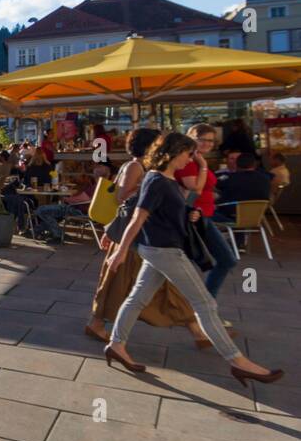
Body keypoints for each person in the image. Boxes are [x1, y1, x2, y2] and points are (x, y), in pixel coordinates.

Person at [103, 132, 282, 385]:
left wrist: (191, 211)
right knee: (205, 304)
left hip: (159, 249)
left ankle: (116, 345)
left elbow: (170, 208)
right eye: (189, 153)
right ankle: (238, 362)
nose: (190, 157)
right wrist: (120, 252)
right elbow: (138, 217)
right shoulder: (156, 180)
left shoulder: (164, 179)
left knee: (137, 298)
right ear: (175, 153)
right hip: (165, 251)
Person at [85, 128, 210, 347]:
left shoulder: (149, 168)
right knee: (123, 282)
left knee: (144, 284)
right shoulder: (136, 166)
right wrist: (150, 187)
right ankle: (97, 324)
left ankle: (197, 330)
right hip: (133, 237)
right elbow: (122, 196)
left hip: (144, 236)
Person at [177, 123, 237, 298]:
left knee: (187, 265)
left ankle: (201, 305)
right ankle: (205, 305)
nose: (207, 144)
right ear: (190, 138)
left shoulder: (197, 160)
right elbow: (194, 189)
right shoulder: (189, 162)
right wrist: (203, 166)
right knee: (226, 260)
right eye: (202, 140)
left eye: (211, 141)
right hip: (195, 217)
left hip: (203, 215)